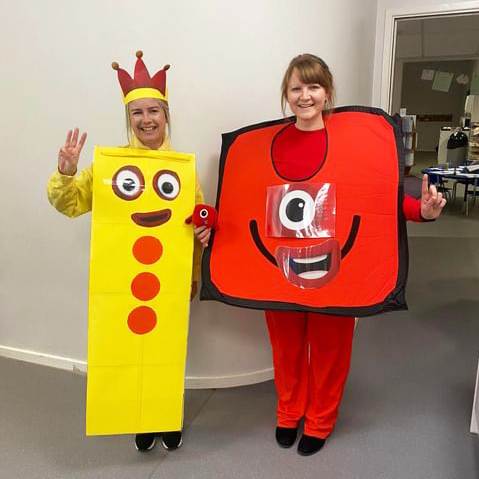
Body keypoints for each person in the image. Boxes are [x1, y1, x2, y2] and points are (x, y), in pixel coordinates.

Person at [195, 53, 446, 456]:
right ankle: (288, 412)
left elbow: (380, 199)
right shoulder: (261, 147)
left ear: (327, 93)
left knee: (330, 348)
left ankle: (320, 420)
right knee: (286, 346)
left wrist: (423, 211)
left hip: (336, 268)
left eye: (313, 86)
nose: (305, 95)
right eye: (296, 87)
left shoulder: (358, 140)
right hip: (279, 266)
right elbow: (245, 200)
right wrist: (217, 230)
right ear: (286, 95)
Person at [48, 51, 204, 452]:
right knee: (127, 346)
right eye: (137, 113)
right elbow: (71, 204)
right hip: (120, 280)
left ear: (166, 115)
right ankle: (138, 418)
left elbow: (196, 220)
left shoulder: (182, 168)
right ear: (128, 118)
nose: (146, 119)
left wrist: (197, 259)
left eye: (154, 110)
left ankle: (166, 415)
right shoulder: (110, 166)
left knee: (166, 349)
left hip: (168, 279)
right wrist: (66, 171)